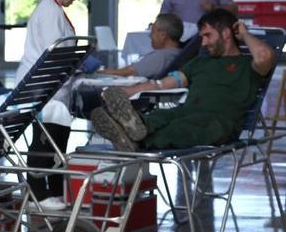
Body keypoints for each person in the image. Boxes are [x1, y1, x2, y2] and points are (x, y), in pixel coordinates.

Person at [91, 9, 274, 152]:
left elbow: (265, 55)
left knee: (179, 129)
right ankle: (130, 129)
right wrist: (125, 93)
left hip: (219, 122)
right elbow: (163, 84)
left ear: (226, 33)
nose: (202, 43)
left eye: (207, 35)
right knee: (159, 117)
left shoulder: (247, 65)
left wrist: (244, 34)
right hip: (187, 112)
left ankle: (132, 140)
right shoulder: (199, 62)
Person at [15, 0, 86, 210]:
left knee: (57, 141)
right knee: (45, 141)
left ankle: (54, 191)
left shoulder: (54, 9)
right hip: (43, 86)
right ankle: (38, 193)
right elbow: (53, 54)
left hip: (54, 86)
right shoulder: (49, 11)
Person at [97, 13, 184, 78]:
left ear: (163, 35)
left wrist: (99, 73)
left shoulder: (160, 57)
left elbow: (128, 72)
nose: (150, 36)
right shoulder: (179, 54)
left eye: (153, 32)